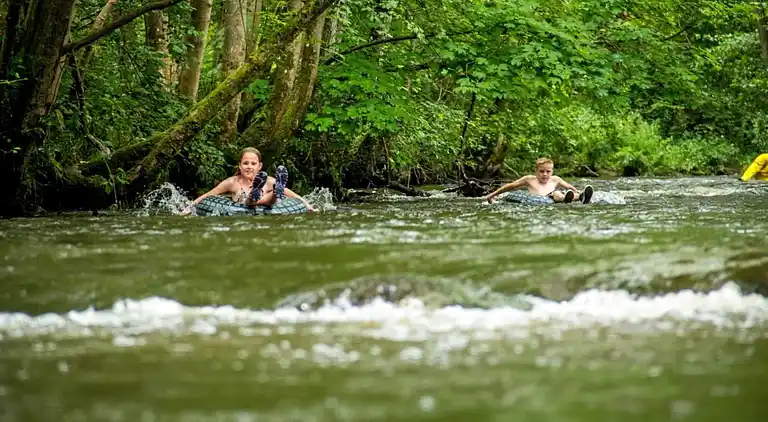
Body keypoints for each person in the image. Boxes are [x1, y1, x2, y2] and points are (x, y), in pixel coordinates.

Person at [183, 147, 314, 214]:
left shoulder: (269, 181)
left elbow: (292, 195)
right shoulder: (232, 182)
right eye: (246, 163)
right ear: (239, 166)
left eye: (253, 163)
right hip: (242, 209)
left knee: (273, 195)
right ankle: (255, 194)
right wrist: (189, 208)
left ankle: (274, 192)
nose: (249, 166)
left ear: (259, 166)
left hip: (268, 209)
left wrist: (308, 206)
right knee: (249, 200)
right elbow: (208, 195)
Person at [486, 157, 593, 204]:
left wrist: (576, 191)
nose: (545, 174)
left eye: (548, 171)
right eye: (541, 171)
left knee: (559, 193)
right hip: (542, 199)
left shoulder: (555, 179)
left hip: (555, 197)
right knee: (556, 194)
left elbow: (569, 186)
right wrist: (492, 195)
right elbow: (510, 186)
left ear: (552, 171)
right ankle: (567, 199)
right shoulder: (529, 179)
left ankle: (582, 196)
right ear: (536, 171)